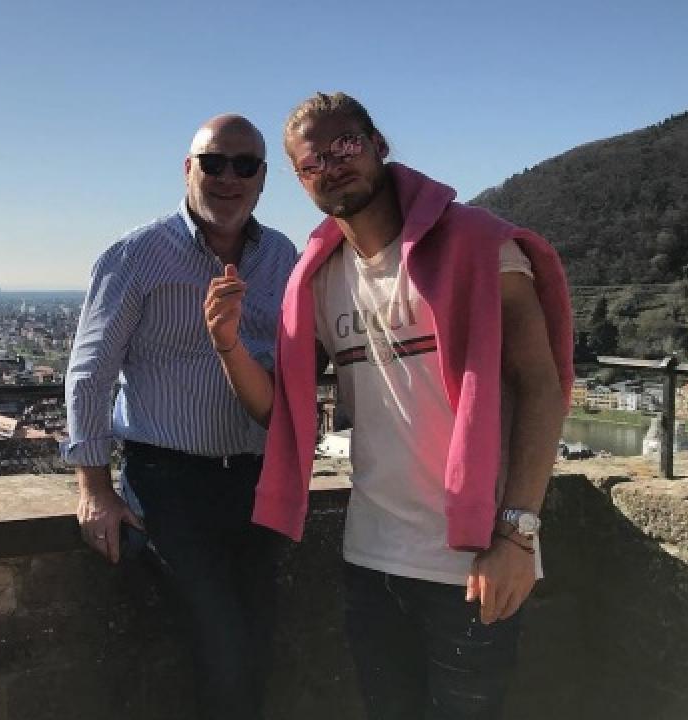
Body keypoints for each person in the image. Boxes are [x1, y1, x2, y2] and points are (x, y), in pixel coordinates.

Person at [204, 92, 574, 720]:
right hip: (371, 557)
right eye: (311, 162)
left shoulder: (479, 246)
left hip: (474, 558)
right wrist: (228, 345)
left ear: (378, 145)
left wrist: (517, 536)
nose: (330, 166)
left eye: (344, 145)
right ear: (299, 180)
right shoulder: (317, 279)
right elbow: (281, 413)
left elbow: (540, 384)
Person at [63, 114, 298, 719]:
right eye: (213, 162)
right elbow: (89, 374)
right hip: (169, 484)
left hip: (255, 480)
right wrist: (94, 488)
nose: (228, 177)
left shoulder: (280, 256)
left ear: (263, 178)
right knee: (221, 645)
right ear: (188, 169)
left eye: (244, 165)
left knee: (259, 642)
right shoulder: (136, 255)